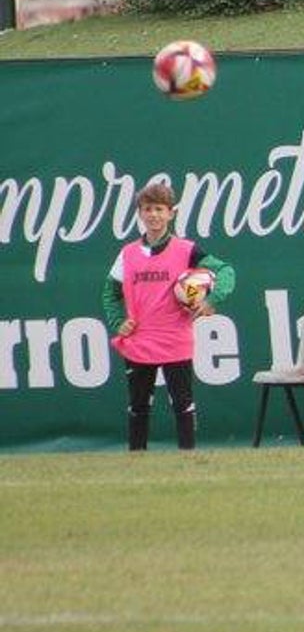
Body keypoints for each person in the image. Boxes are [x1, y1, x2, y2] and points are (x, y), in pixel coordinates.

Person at [102, 182, 235, 451]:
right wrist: (119, 321)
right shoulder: (127, 254)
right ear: (140, 213)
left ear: (171, 214)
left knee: (182, 402)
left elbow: (225, 271)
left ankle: (187, 459)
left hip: (175, 338)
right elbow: (110, 291)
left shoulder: (186, 249)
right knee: (139, 405)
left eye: (159, 209)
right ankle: (136, 459)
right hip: (140, 340)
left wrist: (211, 299)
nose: (154, 215)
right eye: (148, 209)